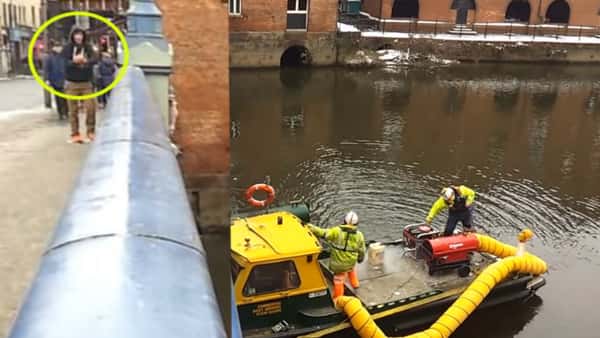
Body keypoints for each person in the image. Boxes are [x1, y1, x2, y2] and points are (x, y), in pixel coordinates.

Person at [308, 211, 366, 299]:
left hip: (338, 265)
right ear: (357, 223)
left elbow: (323, 233)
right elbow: (362, 250)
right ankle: (355, 284)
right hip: (350, 262)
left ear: (344, 221)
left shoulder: (336, 231)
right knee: (350, 267)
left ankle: (338, 299)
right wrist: (360, 259)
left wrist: (311, 227)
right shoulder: (359, 236)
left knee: (338, 280)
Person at [61, 26, 97, 143]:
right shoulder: (67, 48)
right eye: (76, 34)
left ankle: (90, 131)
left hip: (86, 82)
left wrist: (86, 61)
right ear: (72, 36)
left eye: (80, 34)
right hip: (72, 83)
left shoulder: (88, 48)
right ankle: (75, 133)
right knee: (73, 110)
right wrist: (74, 62)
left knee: (90, 108)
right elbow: (63, 62)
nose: (78, 37)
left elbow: (95, 59)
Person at [43, 43, 67, 119]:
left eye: (60, 47)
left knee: (65, 97)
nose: (59, 49)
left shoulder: (64, 56)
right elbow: (47, 69)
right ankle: (61, 113)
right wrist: (47, 79)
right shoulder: (50, 57)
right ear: (54, 48)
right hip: (55, 80)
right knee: (58, 98)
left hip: (64, 80)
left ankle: (66, 111)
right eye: (57, 47)